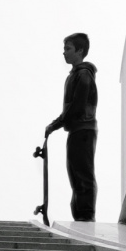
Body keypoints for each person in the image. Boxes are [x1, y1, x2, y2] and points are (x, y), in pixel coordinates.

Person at [44, 32, 98, 222]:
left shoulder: (83, 74)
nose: (64, 53)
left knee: (82, 175)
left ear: (79, 51)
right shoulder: (75, 75)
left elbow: (77, 106)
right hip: (77, 131)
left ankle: (85, 218)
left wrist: (55, 124)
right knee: (76, 175)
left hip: (83, 130)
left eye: (68, 49)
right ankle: (81, 218)